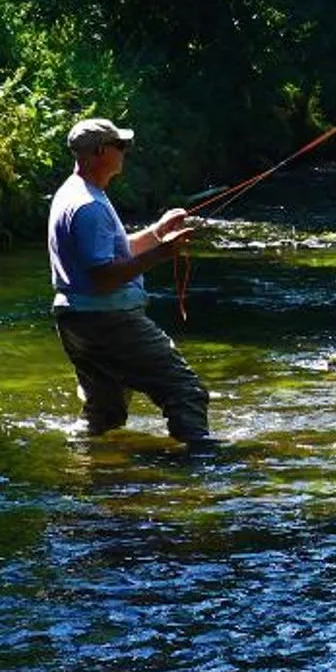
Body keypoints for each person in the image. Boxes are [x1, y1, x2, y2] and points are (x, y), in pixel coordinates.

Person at [47, 116, 213, 449]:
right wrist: (163, 253)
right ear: (99, 151)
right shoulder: (89, 206)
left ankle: (85, 466)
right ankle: (201, 467)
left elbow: (114, 253)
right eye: (120, 145)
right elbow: (104, 277)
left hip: (78, 320)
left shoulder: (76, 193)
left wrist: (157, 232)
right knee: (185, 390)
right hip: (109, 320)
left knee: (105, 412)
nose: (126, 151)